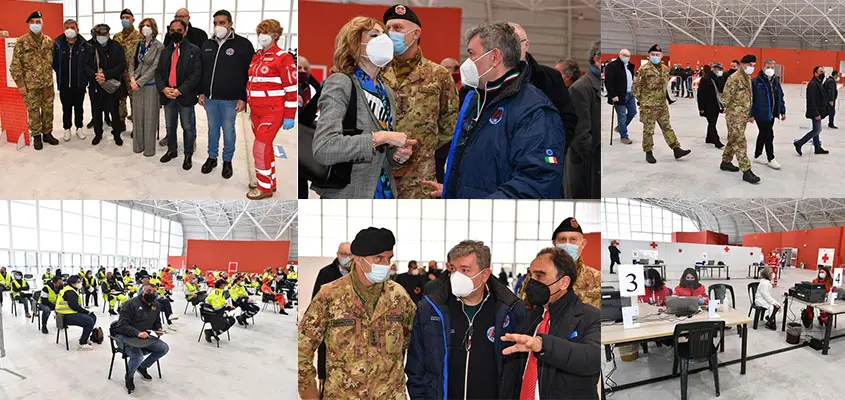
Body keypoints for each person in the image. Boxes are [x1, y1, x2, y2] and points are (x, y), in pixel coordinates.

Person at [423, 21, 564, 198]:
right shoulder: (477, 99)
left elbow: (536, 182)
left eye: (472, 54)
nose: (467, 63)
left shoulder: (534, 111)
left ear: (495, 57)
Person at [298, 227, 415, 399]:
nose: (385, 264)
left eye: (388, 258)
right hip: (342, 395)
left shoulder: (399, 296)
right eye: (379, 258)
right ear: (358, 259)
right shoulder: (330, 295)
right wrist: (310, 394)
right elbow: (303, 347)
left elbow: (413, 341)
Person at [310, 16, 416, 199]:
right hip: (348, 194)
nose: (383, 39)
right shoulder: (341, 83)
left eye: (384, 35)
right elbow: (324, 148)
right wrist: (381, 137)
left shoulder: (386, 92)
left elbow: (383, 155)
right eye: (374, 35)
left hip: (384, 192)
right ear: (354, 44)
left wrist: (398, 156)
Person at [406, 240, 526, 399]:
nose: (456, 276)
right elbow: (416, 367)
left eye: (465, 270)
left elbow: (515, 374)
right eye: (453, 269)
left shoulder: (509, 312)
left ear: (484, 275)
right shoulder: (430, 310)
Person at [499, 247, 601, 399]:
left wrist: (543, 345)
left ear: (564, 283)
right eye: (530, 275)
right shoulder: (531, 318)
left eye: (539, 276)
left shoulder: (589, 317)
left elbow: (591, 358)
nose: (531, 282)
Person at [381, 4, 459, 199]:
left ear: (416, 33)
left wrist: (423, 147)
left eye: (398, 28)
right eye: (388, 28)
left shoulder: (439, 75)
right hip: (379, 171)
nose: (391, 33)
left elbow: (450, 123)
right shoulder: (376, 71)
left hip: (419, 177)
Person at [509, 23, 578, 170]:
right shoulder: (488, 81)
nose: (509, 48)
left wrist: (554, 152)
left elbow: (568, 118)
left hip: (542, 162)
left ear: (526, 45)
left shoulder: (550, 78)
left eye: (514, 42)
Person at [199, 10, 255, 180]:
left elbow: (249, 74)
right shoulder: (207, 44)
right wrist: (201, 92)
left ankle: (227, 160)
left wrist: (244, 98)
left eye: (222, 22)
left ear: (230, 23)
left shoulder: (243, 44)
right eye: (215, 23)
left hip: (231, 99)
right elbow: (202, 71)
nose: (218, 26)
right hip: (210, 98)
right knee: (212, 130)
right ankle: (212, 157)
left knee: (229, 131)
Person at [245, 19, 296, 199]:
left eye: (266, 33)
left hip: (272, 111)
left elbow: (291, 89)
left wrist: (290, 115)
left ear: (275, 36)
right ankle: (268, 181)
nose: (262, 36)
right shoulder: (257, 56)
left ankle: (264, 188)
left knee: (259, 148)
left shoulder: (284, 58)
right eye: (260, 32)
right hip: (255, 111)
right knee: (265, 148)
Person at [632, 44, 691, 164]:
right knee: (648, 130)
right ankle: (648, 152)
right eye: (652, 54)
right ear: (649, 56)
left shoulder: (665, 69)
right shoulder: (643, 69)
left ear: (661, 56)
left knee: (667, 127)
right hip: (648, 106)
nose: (655, 56)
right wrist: (643, 100)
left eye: (657, 55)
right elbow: (635, 87)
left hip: (662, 105)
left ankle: (676, 149)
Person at [157, 19, 202, 169]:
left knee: (187, 126)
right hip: (168, 94)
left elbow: (196, 74)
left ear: (185, 31)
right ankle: (172, 150)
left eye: (179, 30)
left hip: (184, 95)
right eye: (172, 31)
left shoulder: (194, 50)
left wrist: (180, 90)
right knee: (170, 126)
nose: (175, 33)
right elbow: (158, 73)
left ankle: (188, 154)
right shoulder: (165, 51)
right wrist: (164, 88)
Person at [11, 11, 58, 150]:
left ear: (42, 23)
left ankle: (47, 133)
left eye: (38, 22)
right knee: (33, 111)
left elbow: (53, 61)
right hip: (30, 85)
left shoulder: (48, 41)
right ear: (28, 24)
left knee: (48, 109)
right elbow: (15, 65)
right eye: (33, 22)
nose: (35, 25)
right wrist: (20, 84)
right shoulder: (22, 41)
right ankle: (36, 135)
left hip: (47, 83)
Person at [112, 284, 170, 393]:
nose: (152, 293)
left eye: (154, 291)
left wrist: (158, 328)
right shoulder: (130, 304)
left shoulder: (156, 305)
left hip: (144, 336)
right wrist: (137, 333)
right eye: (149, 291)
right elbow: (121, 326)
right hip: (124, 336)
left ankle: (142, 367)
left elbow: (156, 321)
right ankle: (129, 376)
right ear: (142, 291)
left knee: (163, 348)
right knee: (137, 356)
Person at [567, 41, 601, 199]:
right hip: (587, 167)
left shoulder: (597, 84)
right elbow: (581, 136)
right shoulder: (580, 89)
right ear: (596, 59)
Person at [85, 23, 127, 146]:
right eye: (99, 34)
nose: (102, 36)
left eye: (104, 34)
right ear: (95, 34)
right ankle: (98, 134)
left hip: (112, 85)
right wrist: (95, 76)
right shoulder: (89, 46)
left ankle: (117, 134)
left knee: (115, 112)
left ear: (109, 34)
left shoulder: (116, 46)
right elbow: (85, 65)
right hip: (95, 85)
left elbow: (121, 64)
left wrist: (106, 75)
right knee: (96, 112)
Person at [721, 54, 760, 184]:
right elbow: (726, 97)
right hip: (734, 115)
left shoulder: (747, 77)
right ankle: (746, 170)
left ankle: (726, 162)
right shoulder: (734, 78)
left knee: (733, 138)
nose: (752, 67)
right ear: (743, 64)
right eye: (750, 65)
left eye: (753, 65)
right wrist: (729, 109)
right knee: (740, 140)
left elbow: (749, 96)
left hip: (743, 114)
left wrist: (749, 113)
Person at [128, 18, 163, 156]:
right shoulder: (139, 44)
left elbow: (154, 68)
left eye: (148, 26)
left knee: (150, 118)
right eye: (143, 26)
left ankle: (149, 149)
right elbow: (132, 62)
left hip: (150, 86)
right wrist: (132, 79)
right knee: (137, 117)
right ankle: (138, 145)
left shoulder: (159, 46)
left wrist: (139, 82)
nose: (145, 28)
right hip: (135, 84)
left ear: (153, 28)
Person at [53, 19, 89, 142]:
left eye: (72, 27)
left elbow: (87, 63)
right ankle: (67, 128)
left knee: (79, 107)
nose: (70, 30)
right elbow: (54, 62)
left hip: (79, 83)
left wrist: (85, 79)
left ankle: (79, 127)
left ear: (77, 29)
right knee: (66, 107)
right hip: (64, 83)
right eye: (67, 27)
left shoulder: (84, 44)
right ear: (64, 29)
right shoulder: (57, 44)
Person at [552, 218, 600, 308]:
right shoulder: (540, 275)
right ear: (554, 243)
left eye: (573, 239)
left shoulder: (596, 278)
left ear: (582, 244)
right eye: (562, 239)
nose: (567, 244)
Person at [750, 59, 786, 169]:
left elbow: (780, 96)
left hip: (772, 113)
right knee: (769, 135)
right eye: (768, 67)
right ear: (763, 68)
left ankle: (757, 155)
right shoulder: (755, 82)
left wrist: (782, 110)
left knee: (763, 134)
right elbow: (751, 99)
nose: (770, 69)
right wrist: (751, 114)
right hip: (761, 113)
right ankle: (771, 158)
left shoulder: (775, 81)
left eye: (772, 67)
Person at [113, 9, 143, 129]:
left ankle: (136, 125)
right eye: (123, 18)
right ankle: (121, 122)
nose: (125, 20)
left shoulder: (139, 36)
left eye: (128, 17)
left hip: (134, 74)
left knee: (134, 99)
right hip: (119, 73)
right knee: (120, 98)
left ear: (133, 20)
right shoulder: (116, 37)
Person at [795, 66, 830, 156]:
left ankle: (817, 148)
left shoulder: (818, 83)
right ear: (815, 73)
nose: (823, 73)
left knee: (816, 129)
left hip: (819, 111)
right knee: (817, 130)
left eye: (823, 71)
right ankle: (799, 143)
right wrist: (816, 113)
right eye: (820, 71)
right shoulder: (813, 84)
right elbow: (811, 100)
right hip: (816, 112)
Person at [56, 275, 98, 351]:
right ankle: (82, 343)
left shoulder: (72, 289)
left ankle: (85, 337)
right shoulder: (70, 292)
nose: (80, 283)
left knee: (93, 316)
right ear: (72, 283)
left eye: (80, 281)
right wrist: (87, 312)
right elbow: (74, 306)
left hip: (70, 313)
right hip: (65, 316)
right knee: (89, 321)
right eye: (78, 282)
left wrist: (88, 312)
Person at [605, 48, 636, 145]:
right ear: (620, 55)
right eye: (624, 55)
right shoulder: (612, 66)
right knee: (622, 116)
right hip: (619, 95)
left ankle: (621, 127)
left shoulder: (630, 66)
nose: (627, 58)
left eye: (628, 56)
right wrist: (613, 95)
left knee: (632, 112)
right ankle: (624, 136)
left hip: (630, 94)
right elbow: (608, 82)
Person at [697, 62, 725, 148]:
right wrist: (701, 108)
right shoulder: (706, 79)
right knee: (712, 123)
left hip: (715, 105)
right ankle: (716, 141)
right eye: (719, 69)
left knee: (712, 122)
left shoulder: (717, 78)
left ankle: (709, 138)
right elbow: (700, 94)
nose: (720, 71)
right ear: (714, 69)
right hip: (708, 106)